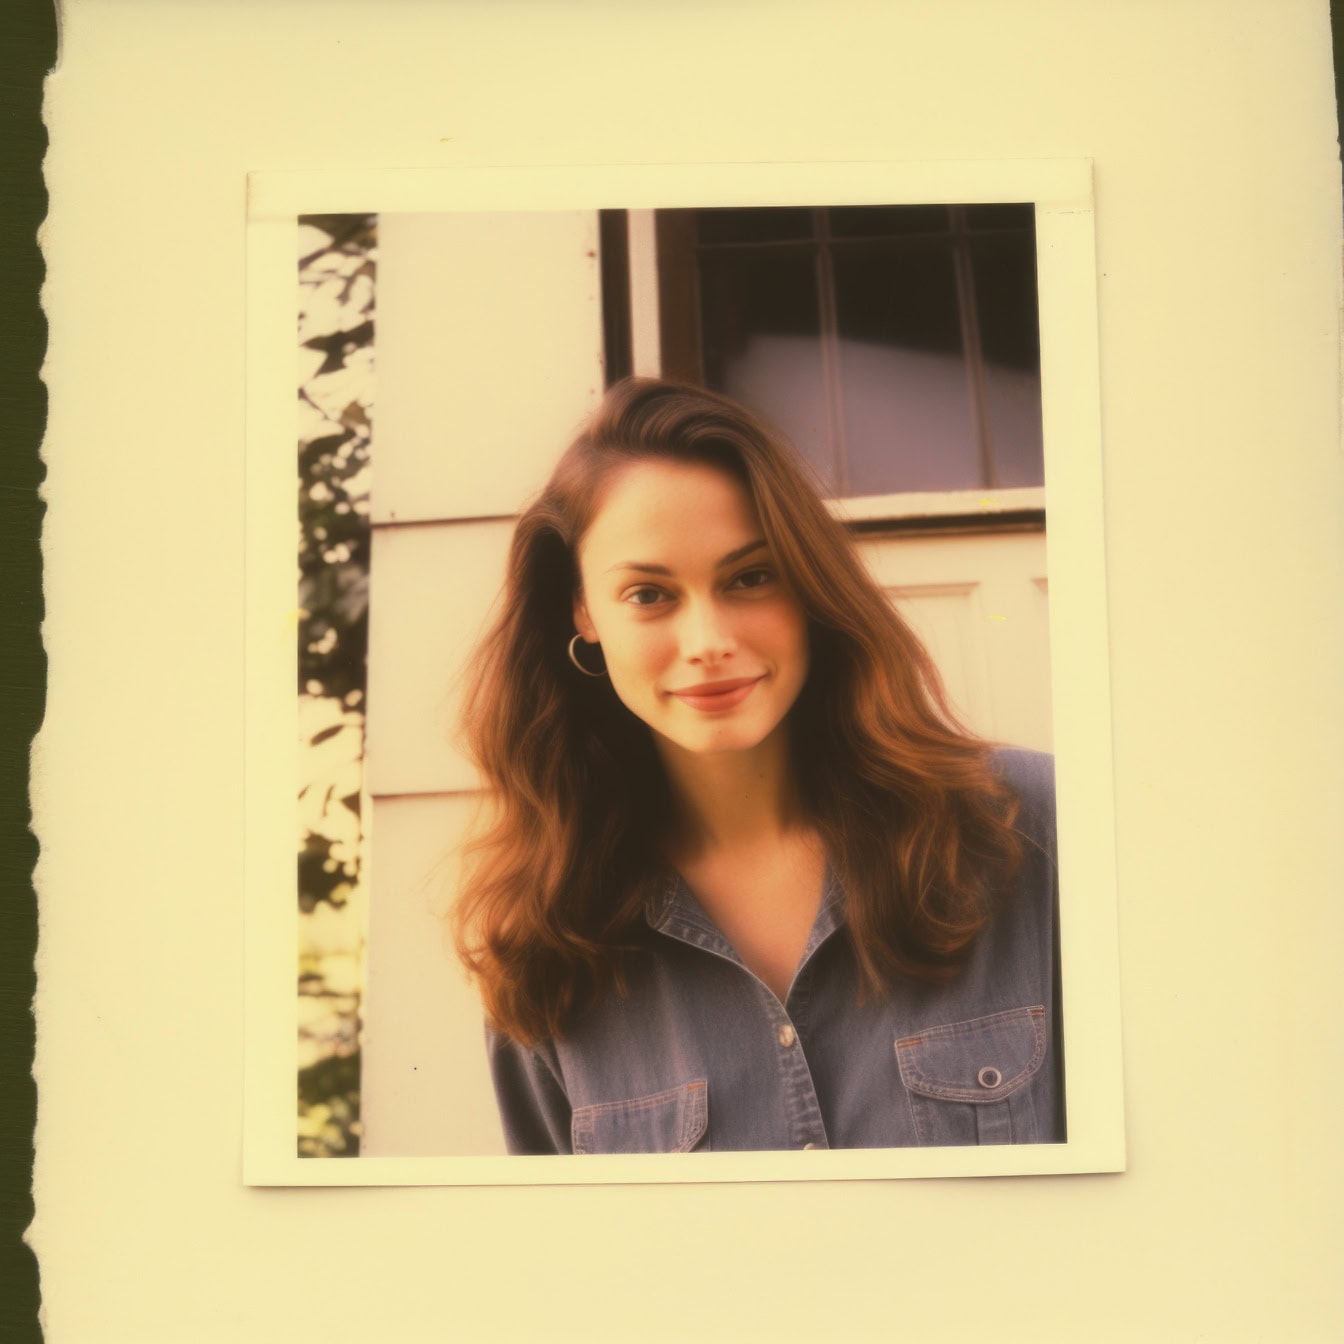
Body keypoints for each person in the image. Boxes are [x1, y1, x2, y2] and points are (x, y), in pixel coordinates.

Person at [454, 377, 1062, 1153]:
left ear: (808, 583)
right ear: (582, 612)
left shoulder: (1031, 828)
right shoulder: (543, 945)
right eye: (648, 594)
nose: (708, 639)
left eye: (750, 577)